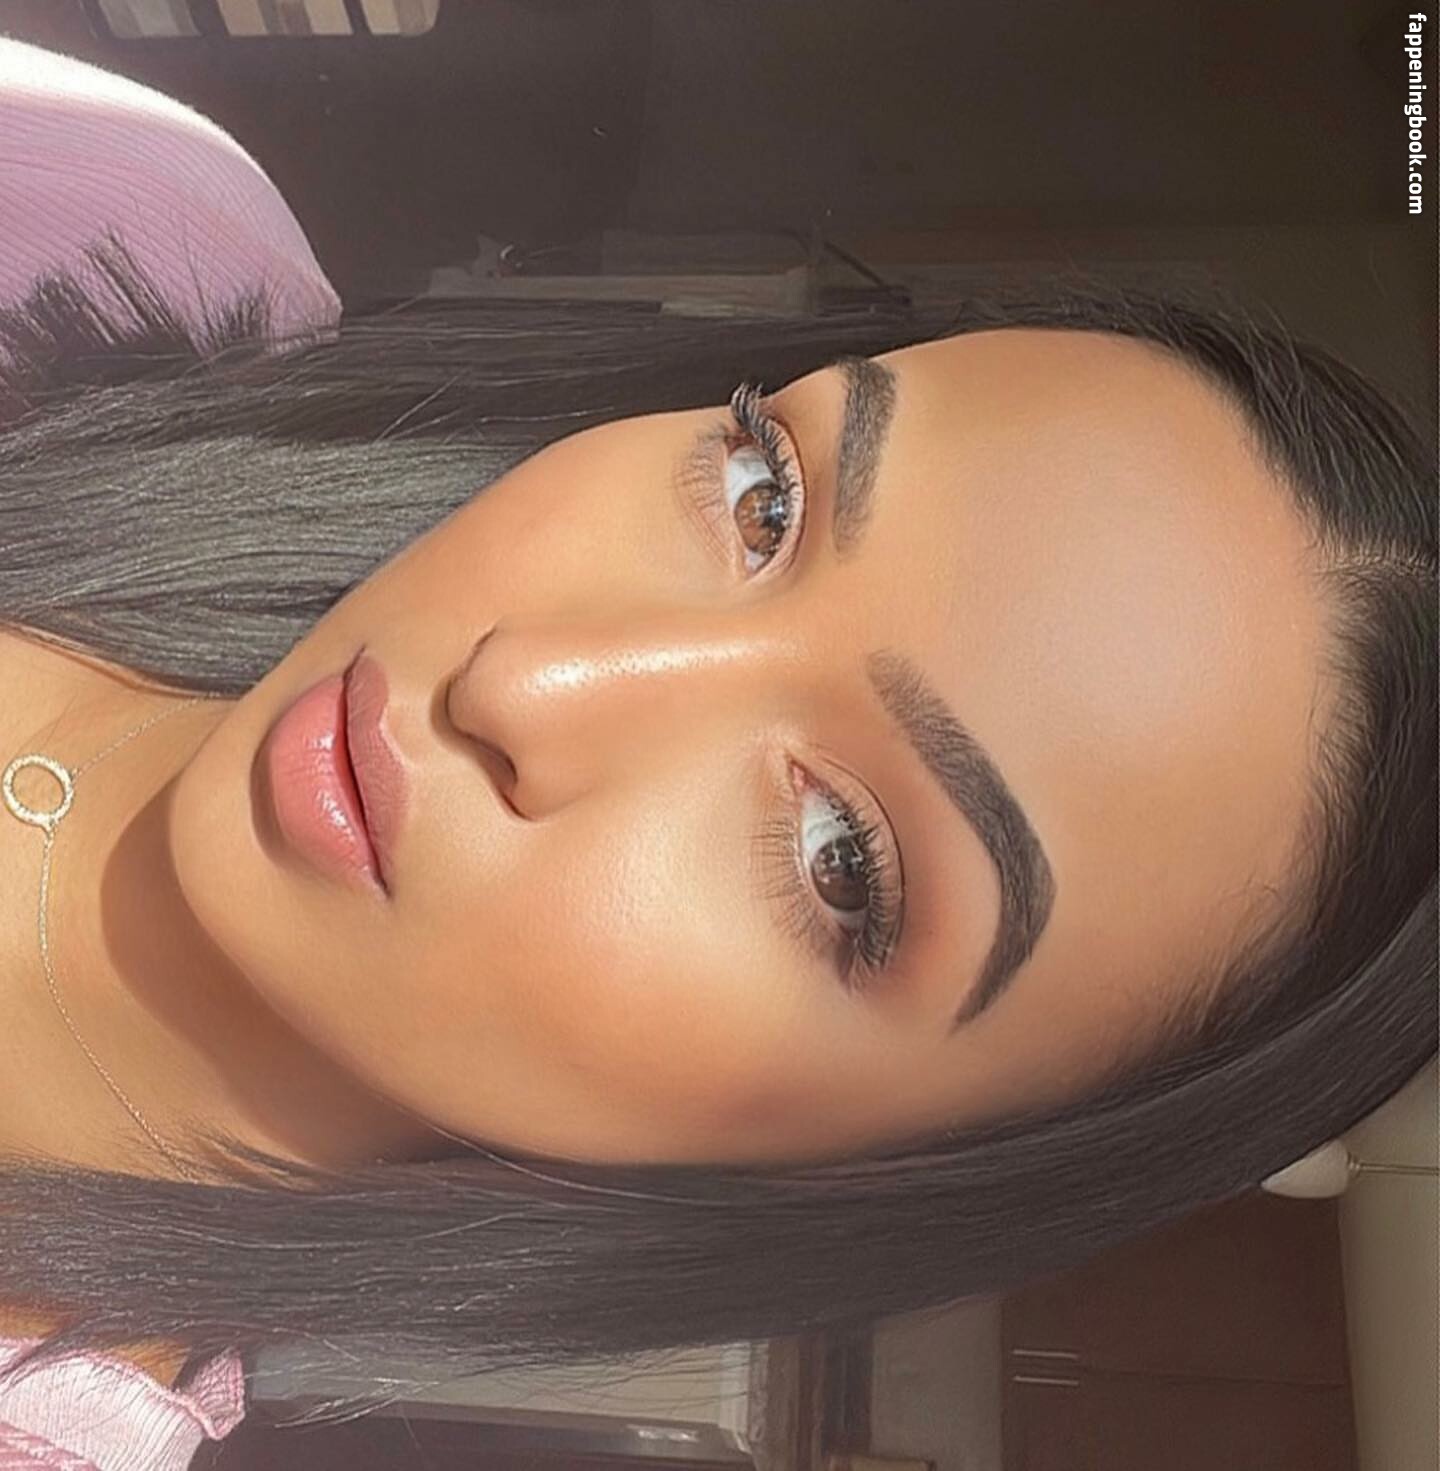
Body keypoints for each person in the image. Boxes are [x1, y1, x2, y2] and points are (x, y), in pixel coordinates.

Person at [1, 32, 1434, 1471]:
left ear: (870, 1176)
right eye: (766, 499)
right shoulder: (122, 203)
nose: (535, 681)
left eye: (839, 860)